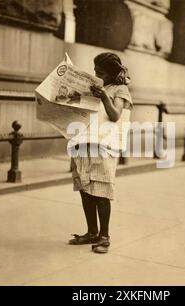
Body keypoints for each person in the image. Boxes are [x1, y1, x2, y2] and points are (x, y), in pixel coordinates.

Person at [68, 53, 133, 254]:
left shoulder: (120, 89)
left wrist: (104, 96)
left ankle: (104, 236)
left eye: (101, 72)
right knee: (85, 188)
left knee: (102, 191)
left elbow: (115, 115)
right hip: (85, 141)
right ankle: (92, 231)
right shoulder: (97, 87)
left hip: (104, 145)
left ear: (112, 74)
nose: (96, 75)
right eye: (95, 71)